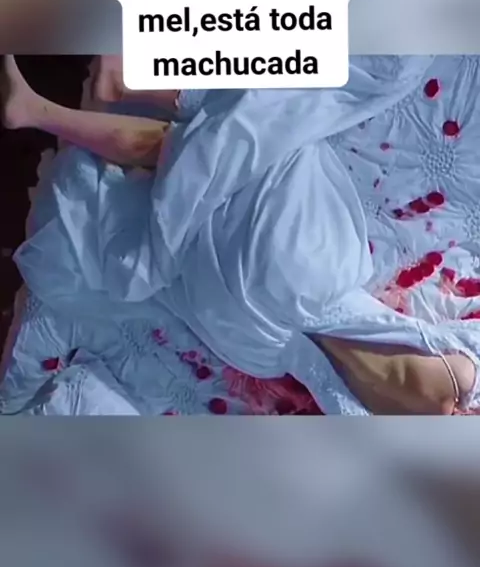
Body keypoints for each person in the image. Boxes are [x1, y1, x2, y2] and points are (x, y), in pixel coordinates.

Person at [1, 54, 478, 415]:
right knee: (195, 175)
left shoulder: (465, 372)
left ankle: (93, 92)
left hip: (308, 275)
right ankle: (47, 108)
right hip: (253, 339)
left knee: (247, 135)